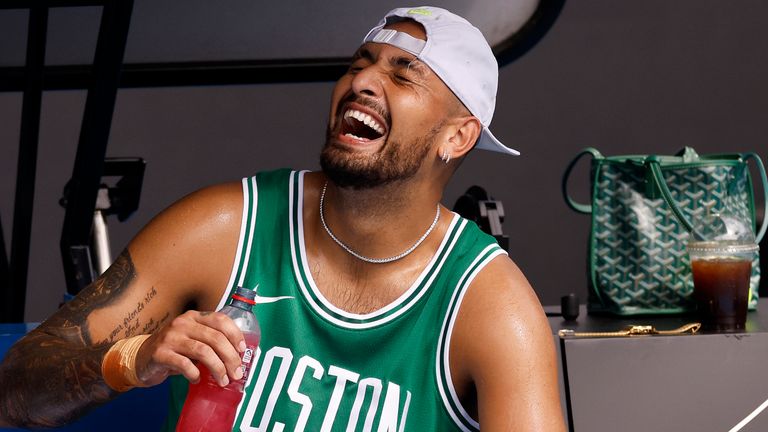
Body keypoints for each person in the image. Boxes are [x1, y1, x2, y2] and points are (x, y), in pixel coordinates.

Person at [0, 6, 564, 431]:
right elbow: (15, 389)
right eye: (359, 64)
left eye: (402, 74)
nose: (361, 82)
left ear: (458, 137)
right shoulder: (224, 228)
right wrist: (133, 358)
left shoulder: (491, 307)